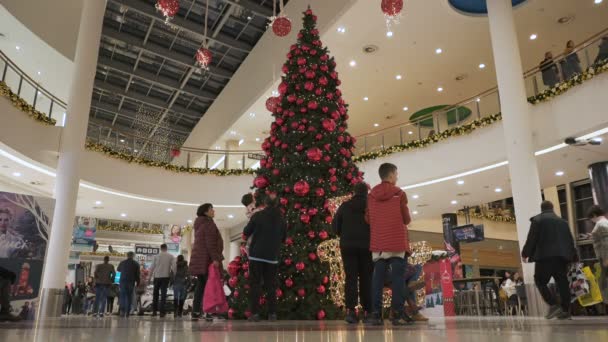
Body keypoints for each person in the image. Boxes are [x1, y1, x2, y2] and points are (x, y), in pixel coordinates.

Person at [366, 163, 414, 326]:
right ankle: (397, 314)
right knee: (398, 279)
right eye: (396, 174)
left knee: (377, 280)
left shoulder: (371, 195)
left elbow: (368, 219)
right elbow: (406, 219)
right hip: (396, 242)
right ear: (392, 175)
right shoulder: (399, 194)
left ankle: (376, 314)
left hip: (379, 243)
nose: (397, 177)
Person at [522, 201, 577, 320]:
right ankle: (566, 311)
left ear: (542, 209)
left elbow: (532, 238)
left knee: (540, 281)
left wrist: (525, 253)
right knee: (562, 282)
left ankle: (553, 304)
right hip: (562, 257)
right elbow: (570, 240)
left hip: (544, 257)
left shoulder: (538, 220)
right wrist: (573, 256)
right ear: (552, 208)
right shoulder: (563, 222)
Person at [333, 182, 373, 324]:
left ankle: (351, 311)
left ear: (354, 192)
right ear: (366, 192)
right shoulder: (371, 206)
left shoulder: (345, 206)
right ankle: (368, 311)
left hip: (348, 246)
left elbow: (335, 227)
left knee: (350, 278)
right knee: (366, 278)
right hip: (367, 246)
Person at [243, 195, 287, 322]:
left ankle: (255, 313)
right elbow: (284, 238)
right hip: (272, 256)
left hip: (256, 255)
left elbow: (246, 231)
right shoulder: (281, 219)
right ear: (277, 204)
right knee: (271, 285)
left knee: (255, 284)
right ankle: (272, 314)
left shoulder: (257, 216)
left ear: (265, 203)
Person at [189, 203, 223, 321]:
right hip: (207, 260)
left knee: (201, 286)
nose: (214, 211)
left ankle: (196, 311)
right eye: (211, 209)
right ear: (205, 212)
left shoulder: (199, 224)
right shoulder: (208, 224)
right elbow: (211, 244)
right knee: (209, 286)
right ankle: (208, 311)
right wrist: (215, 259)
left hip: (200, 260)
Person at [587, 205, 608, 304]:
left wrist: (605, 258)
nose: (591, 220)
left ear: (594, 215)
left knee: (603, 281)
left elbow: (606, 242)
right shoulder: (604, 222)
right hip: (604, 256)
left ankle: (606, 301)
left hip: (604, 256)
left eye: (591, 218)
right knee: (603, 280)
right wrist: (592, 236)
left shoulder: (600, 224)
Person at [150, 244, 175, 318]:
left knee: (155, 294)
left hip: (157, 277)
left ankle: (154, 311)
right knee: (163, 295)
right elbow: (173, 267)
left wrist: (149, 278)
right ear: (166, 248)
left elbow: (152, 267)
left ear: (160, 248)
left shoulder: (156, 256)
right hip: (165, 277)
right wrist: (174, 275)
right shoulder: (171, 256)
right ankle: (162, 312)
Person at [117, 251, 140, 318]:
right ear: (133, 256)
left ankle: (122, 311)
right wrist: (138, 282)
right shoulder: (136, 264)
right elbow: (137, 275)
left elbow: (118, 271)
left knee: (123, 296)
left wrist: (117, 282)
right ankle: (127, 312)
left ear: (127, 256)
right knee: (129, 297)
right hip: (131, 282)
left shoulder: (122, 263)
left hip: (123, 282)